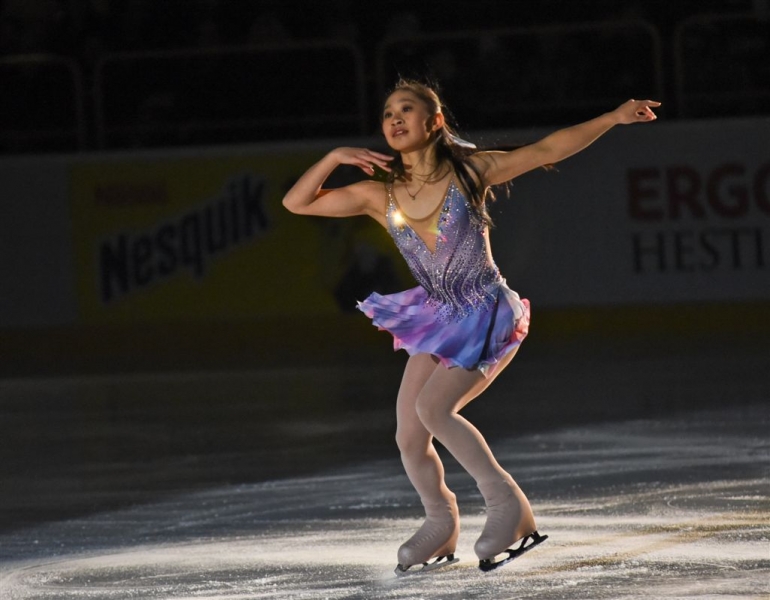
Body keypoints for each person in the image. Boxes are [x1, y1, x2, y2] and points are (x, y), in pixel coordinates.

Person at [282, 78, 660, 574]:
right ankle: (440, 522)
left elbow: (547, 149)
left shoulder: (469, 173)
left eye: (406, 109)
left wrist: (612, 117)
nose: (394, 119)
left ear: (434, 121)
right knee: (409, 435)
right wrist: (334, 157)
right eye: (388, 113)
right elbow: (297, 203)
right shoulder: (380, 194)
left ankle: (508, 507)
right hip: (439, 317)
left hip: (486, 312)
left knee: (434, 409)